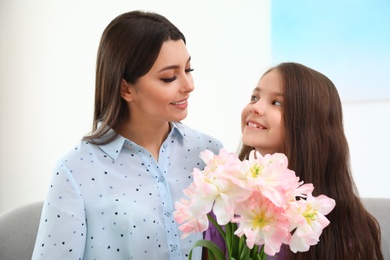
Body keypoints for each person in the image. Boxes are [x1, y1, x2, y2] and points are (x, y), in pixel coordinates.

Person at [32, 10, 222, 260]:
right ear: (126, 88)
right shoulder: (75, 171)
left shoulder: (210, 154)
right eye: (169, 77)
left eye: (189, 69)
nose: (189, 85)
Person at [205, 62, 383, 259]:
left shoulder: (344, 225)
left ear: (309, 125)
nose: (255, 107)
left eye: (277, 103)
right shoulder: (225, 204)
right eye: (254, 97)